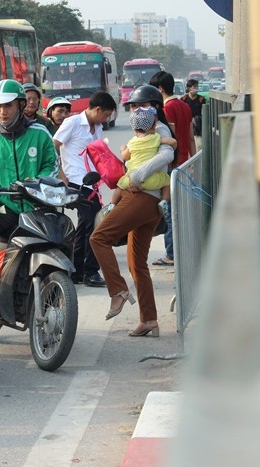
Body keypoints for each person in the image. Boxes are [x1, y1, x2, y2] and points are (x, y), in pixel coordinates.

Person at [89, 85, 175, 338]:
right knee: (137, 264)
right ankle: (149, 320)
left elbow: (167, 155)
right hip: (145, 201)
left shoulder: (158, 129)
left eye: (141, 105)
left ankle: (118, 291)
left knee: (98, 237)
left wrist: (138, 173)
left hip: (140, 198)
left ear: (155, 107)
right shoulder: (146, 127)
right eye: (134, 106)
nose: (136, 110)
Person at [0, 79, 58, 304]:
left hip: (38, 206)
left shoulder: (40, 133)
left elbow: (53, 166)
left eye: (8, 106)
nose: (2, 112)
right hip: (8, 208)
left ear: (21, 105)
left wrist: (37, 181)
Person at [52, 91, 117, 288]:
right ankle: (90, 271)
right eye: (106, 115)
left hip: (92, 183)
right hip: (75, 181)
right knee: (94, 225)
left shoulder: (97, 127)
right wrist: (60, 174)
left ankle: (78, 270)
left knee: (86, 226)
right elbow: (52, 145)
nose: (106, 120)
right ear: (97, 109)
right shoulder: (72, 123)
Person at [148, 71, 193, 267]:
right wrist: (192, 159)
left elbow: (171, 139)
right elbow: (190, 137)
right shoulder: (184, 105)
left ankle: (171, 254)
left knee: (169, 213)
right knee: (180, 212)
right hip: (185, 163)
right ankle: (182, 250)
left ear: (160, 89)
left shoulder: (167, 108)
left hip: (172, 167)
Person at [111, 106, 177, 210]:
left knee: (119, 186)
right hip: (152, 179)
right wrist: (173, 147)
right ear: (154, 126)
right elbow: (173, 142)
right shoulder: (156, 138)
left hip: (131, 179)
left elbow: (125, 156)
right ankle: (164, 203)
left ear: (133, 128)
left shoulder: (132, 142)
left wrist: (123, 149)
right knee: (167, 182)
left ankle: (112, 205)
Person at [180, 79, 205, 151]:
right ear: (189, 88)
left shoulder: (201, 99)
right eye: (194, 87)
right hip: (187, 124)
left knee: (199, 144)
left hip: (197, 125)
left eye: (197, 86)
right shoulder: (183, 99)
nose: (196, 88)